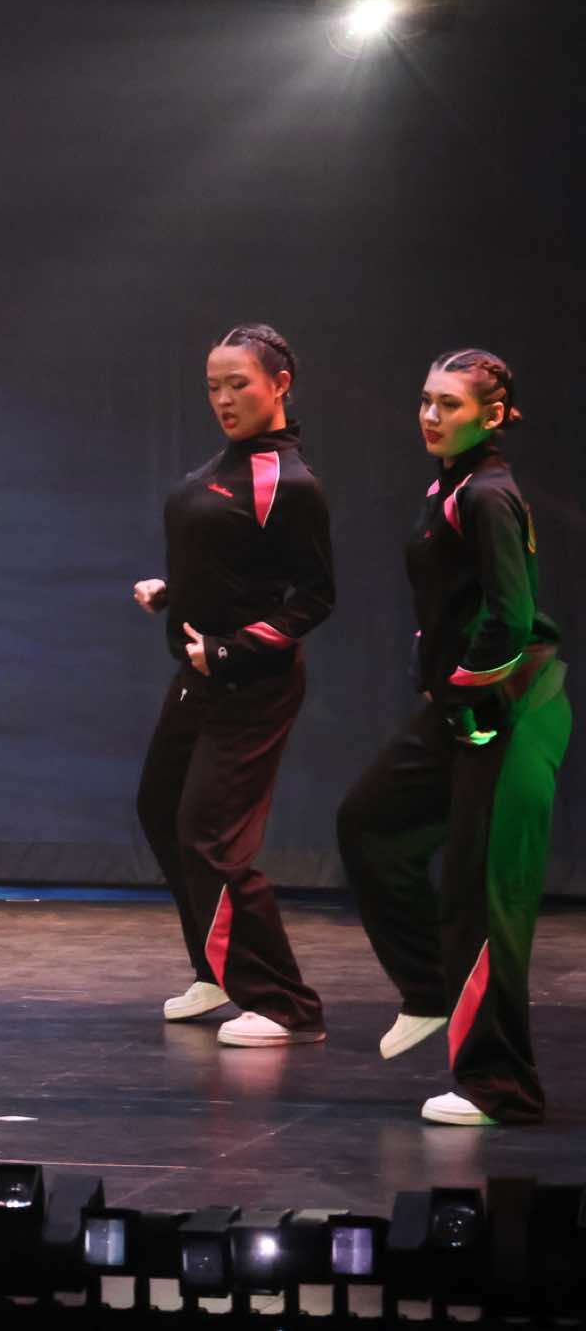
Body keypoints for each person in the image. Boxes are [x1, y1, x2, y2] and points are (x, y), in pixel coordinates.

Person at [338, 348, 568, 1126]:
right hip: (461, 705)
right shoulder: (452, 486)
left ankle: (502, 1088)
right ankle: (431, 989)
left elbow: (512, 616)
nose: (431, 415)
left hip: (509, 708)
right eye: (426, 400)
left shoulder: (489, 495)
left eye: (450, 404)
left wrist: (466, 691)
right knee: (369, 823)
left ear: (492, 415)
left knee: (480, 897)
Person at [131, 324, 331, 1047]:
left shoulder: (291, 483)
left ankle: (286, 1004)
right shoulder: (225, 466)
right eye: (214, 386)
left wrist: (231, 647)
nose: (223, 398)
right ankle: (217, 969)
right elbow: (229, 562)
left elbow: (313, 598)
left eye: (238, 384)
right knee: (160, 809)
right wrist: (173, 592)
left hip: (253, 685)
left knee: (209, 837)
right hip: (198, 676)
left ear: (279, 385)